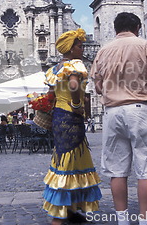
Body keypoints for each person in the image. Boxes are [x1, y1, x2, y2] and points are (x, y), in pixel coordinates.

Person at [90, 12, 147, 225]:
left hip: (112, 113)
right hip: (140, 109)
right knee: (146, 169)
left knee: (117, 170)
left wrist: (110, 88)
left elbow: (97, 86)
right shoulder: (145, 46)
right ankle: (145, 221)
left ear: (115, 29)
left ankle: (122, 220)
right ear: (137, 28)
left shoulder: (103, 51)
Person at [42, 28, 102, 225]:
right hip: (70, 116)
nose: (82, 48)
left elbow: (51, 94)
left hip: (59, 117)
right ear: (70, 48)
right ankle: (59, 214)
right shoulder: (75, 64)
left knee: (65, 158)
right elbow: (75, 85)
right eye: (79, 45)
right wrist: (77, 106)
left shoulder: (56, 68)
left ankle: (70, 209)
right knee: (70, 160)